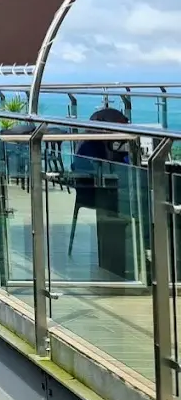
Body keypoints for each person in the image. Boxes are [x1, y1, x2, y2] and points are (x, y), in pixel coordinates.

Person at [70, 107, 133, 280]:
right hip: (93, 192)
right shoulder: (90, 145)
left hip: (108, 188)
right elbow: (97, 170)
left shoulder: (107, 145)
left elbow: (123, 164)